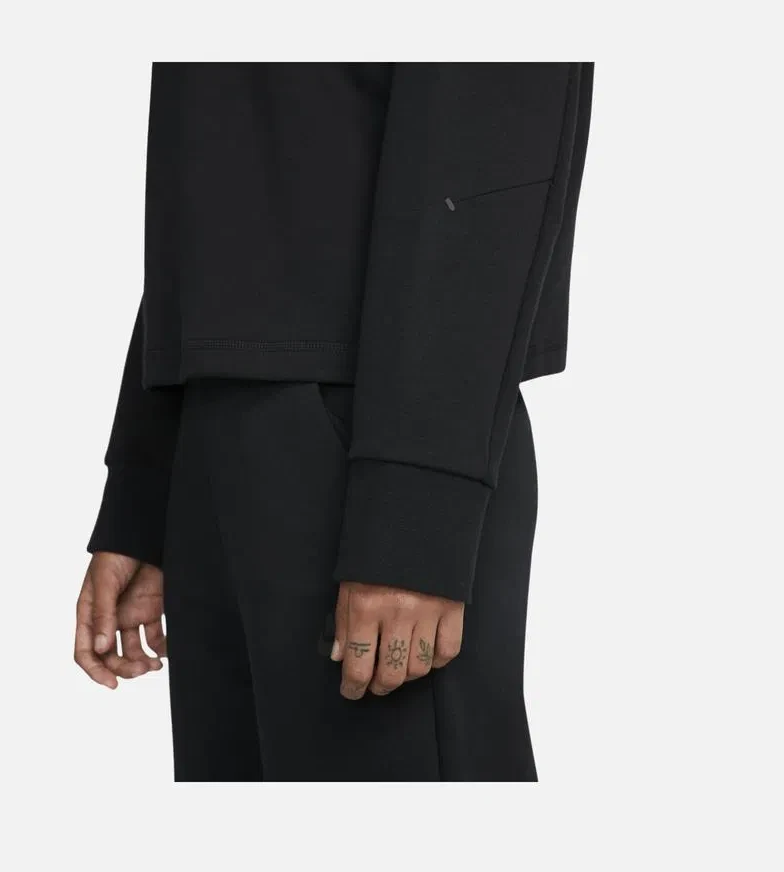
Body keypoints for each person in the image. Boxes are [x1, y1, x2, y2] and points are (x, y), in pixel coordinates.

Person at [74, 62, 593, 781]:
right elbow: (227, 153)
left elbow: (490, 120)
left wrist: (416, 515)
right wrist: (148, 481)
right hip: (214, 437)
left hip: (374, 439)